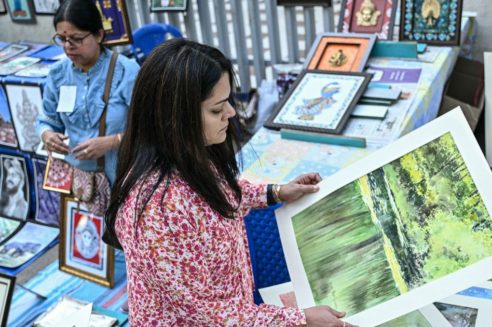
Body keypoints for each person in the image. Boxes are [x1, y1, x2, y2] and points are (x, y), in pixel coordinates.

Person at [104, 39, 356, 327]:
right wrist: (301, 320)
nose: (231, 114)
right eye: (216, 109)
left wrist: (274, 192)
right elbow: (210, 314)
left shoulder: (191, 157)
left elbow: (224, 192)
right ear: (175, 117)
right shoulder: (154, 211)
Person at [36, 0, 140, 186]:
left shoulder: (126, 71)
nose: (68, 46)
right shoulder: (58, 74)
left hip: (125, 179)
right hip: (82, 182)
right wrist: (47, 135)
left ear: (99, 35)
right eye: (62, 39)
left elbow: (153, 128)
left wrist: (113, 141)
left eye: (76, 39)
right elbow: (47, 120)